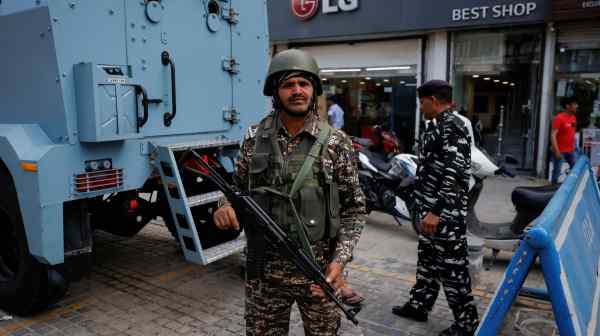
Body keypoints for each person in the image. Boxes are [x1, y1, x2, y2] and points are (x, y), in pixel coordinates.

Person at [212, 49, 366, 335]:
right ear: (275, 92)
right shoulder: (254, 138)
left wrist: (339, 261)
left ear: (314, 89)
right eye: (288, 85)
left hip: (319, 275)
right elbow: (236, 189)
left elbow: (354, 210)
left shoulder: (336, 142)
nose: (297, 91)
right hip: (264, 275)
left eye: (304, 84)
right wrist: (225, 205)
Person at [392, 80, 479, 336]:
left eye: (422, 102)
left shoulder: (454, 126)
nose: (420, 107)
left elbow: (455, 174)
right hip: (429, 210)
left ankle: (467, 323)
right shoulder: (436, 126)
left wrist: (436, 211)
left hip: (444, 215)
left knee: (452, 268)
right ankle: (419, 305)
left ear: (433, 100)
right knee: (427, 262)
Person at [550, 96, 578, 184]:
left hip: (571, 151)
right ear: (567, 106)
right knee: (556, 173)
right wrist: (556, 151)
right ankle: (552, 190)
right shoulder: (559, 118)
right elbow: (553, 135)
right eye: (574, 104)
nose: (576, 106)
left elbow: (572, 133)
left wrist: (574, 146)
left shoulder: (573, 118)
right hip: (560, 151)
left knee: (576, 170)